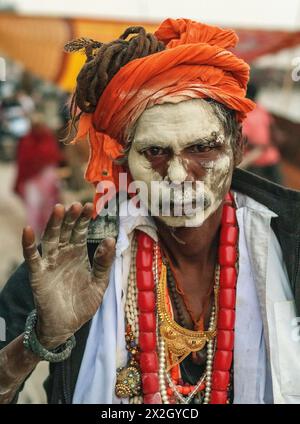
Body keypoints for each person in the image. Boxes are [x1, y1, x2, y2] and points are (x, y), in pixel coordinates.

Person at [0, 18, 300, 405]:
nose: (177, 175)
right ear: (125, 159)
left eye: (202, 149)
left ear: (238, 148)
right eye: (155, 152)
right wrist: (41, 339)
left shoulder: (289, 242)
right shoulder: (77, 259)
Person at [14, 112, 63, 237]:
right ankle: (34, 235)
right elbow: (22, 163)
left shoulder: (48, 138)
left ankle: (48, 233)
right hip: (31, 181)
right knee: (33, 206)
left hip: (47, 180)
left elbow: (54, 157)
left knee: (49, 207)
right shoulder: (26, 141)